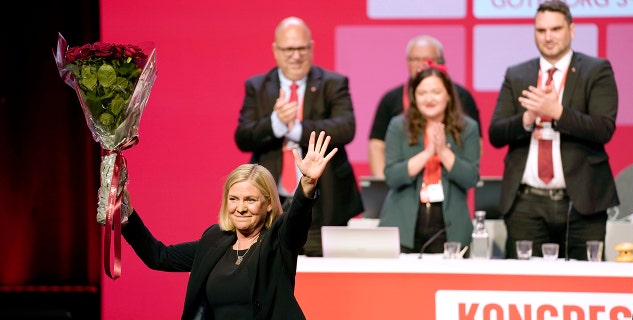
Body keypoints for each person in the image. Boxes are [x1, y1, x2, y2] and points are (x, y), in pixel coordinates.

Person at [122, 131, 337, 320]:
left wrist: (307, 184)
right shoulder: (214, 239)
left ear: (269, 204)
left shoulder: (279, 239)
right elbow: (159, 257)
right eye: (234, 199)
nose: (240, 208)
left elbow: (297, 219)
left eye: (250, 200)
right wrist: (126, 214)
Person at [488, 0, 619, 260]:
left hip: (582, 204)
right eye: (541, 30)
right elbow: (496, 133)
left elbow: (603, 128)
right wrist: (528, 117)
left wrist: (556, 111)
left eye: (556, 29)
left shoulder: (596, 70)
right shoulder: (517, 74)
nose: (548, 37)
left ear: (571, 30)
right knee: (525, 289)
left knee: (585, 287)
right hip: (527, 204)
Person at [234, 16, 363, 257]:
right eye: (289, 49)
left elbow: (346, 128)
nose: (296, 55)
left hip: (323, 203)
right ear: (276, 50)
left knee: (326, 277)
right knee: (271, 266)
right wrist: (275, 123)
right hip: (272, 203)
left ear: (312, 48)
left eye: (302, 48)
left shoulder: (333, 83)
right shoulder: (258, 86)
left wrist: (295, 129)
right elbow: (243, 137)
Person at [378, 62, 480, 254]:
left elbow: (470, 178)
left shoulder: (468, 128)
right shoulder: (399, 126)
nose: (429, 98)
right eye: (422, 93)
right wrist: (427, 153)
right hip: (404, 223)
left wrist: (442, 151)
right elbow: (392, 176)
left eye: (436, 92)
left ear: (448, 94)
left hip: (448, 225)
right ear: (414, 97)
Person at [368, 35, 481, 178]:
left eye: (428, 59)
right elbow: (377, 145)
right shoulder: (392, 103)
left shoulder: (462, 97)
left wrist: (444, 153)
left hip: (450, 184)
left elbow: (475, 148)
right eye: (414, 59)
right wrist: (381, 183)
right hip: (407, 188)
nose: (421, 64)